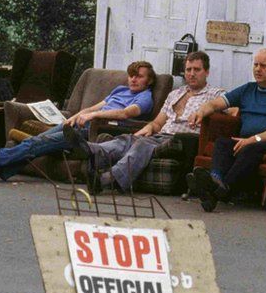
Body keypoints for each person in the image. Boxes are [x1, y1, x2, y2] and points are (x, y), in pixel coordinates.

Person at [0, 61, 157, 181]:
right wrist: (74, 117)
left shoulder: (145, 98)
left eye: (139, 76)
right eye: (131, 75)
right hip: (81, 124)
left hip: (94, 133)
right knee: (35, 142)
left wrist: (93, 117)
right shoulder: (120, 90)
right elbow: (94, 107)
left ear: (148, 81)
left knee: (38, 143)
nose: (133, 79)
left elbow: (125, 114)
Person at [73, 52, 224, 194]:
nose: (191, 74)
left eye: (196, 70)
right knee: (128, 139)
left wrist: (212, 113)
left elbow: (235, 111)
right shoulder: (176, 94)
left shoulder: (215, 94)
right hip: (162, 135)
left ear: (207, 72)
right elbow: (158, 123)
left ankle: (106, 180)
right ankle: (90, 150)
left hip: (184, 139)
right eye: (188, 69)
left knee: (143, 145)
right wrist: (149, 127)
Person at [186, 48, 266, 212]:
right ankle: (215, 181)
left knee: (251, 148)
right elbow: (214, 104)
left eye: (263, 65)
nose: (257, 69)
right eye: (255, 64)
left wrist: (253, 139)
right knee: (222, 142)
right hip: (249, 139)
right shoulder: (248, 89)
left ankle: (221, 190)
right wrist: (200, 112)